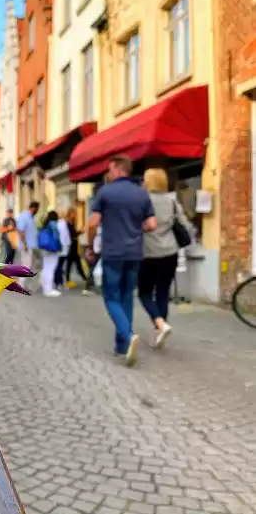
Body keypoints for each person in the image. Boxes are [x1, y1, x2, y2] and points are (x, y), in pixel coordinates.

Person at [86, 155, 157, 366]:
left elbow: (93, 222)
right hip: (135, 252)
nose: (108, 173)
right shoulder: (142, 194)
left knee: (110, 296)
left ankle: (128, 335)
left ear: (118, 170)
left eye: (110, 169)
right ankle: (122, 347)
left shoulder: (105, 192)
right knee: (126, 296)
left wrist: (90, 246)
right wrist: (137, 230)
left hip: (113, 252)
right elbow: (152, 224)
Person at [138, 168, 192, 348]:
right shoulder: (172, 199)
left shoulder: (143, 200)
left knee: (144, 292)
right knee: (162, 291)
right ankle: (160, 329)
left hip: (147, 253)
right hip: (170, 252)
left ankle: (159, 323)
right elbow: (185, 224)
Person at [16, 201, 40, 289]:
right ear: (33, 208)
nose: (37, 211)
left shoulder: (31, 217)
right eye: (37, 209)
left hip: (32, 245)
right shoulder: (25, 216)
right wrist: (24, 244)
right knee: (26, 265)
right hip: (27, 245)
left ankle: (27, 285)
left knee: (30, 266)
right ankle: (21, 284)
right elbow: (21, 230)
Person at [39, 211, 62, 297]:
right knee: (51, 268)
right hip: (52, 249)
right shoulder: (53, 224)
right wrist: (60, 246)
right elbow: (56, 236)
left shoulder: (45, 224)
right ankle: (48, 290)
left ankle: (46, 288)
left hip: (44, 248)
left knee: (46, 268)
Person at [65, 209, 88, 288]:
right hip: (71, 247)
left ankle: (84, 278)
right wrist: (81, 231)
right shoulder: (67, 224)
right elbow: (73, 234)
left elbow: (74, 234)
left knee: (75, 264)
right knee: (71, 264)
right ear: (69, 215)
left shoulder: (72, 224)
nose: (74, 215)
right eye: (73, 214)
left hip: (74, 246)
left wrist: (79, 232)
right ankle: (84, 278)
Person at [54, 211, 71, 289]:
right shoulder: (63, 224)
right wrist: (68, 245)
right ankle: (59, 282)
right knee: (60, 266)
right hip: (63, 248)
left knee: (58, 265)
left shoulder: (57, 224)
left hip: (59, 247)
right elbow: (65, 238)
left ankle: (57, 282)